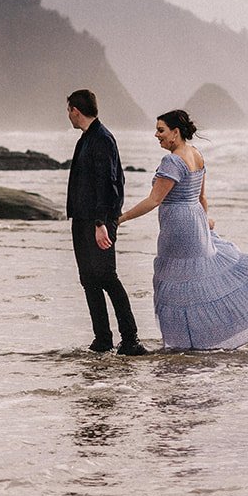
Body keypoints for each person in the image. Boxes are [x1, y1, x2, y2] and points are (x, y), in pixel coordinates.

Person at [113, 110, 248, 351]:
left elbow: (154, 200)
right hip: (195, 224)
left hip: (179, 229)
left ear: (176, 132)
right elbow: (202, 197)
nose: (156, 135)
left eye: (161, 130)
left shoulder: (172, 161)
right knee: (200, 281)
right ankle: (201, 341)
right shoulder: (196, 154)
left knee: (175, 285)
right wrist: (205, 223)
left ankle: (184, 344)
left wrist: (120, 219)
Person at [66, 90, 146, 355]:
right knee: (88, 279)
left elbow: (109, 182)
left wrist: (102, 222)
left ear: (76, 110)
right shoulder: (86, 139)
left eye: (69, 110)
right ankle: (102, 339)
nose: (68, 115)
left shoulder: (102, 139)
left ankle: (131, 340)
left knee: (107, 277)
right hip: (82, 219)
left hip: (98, 221)